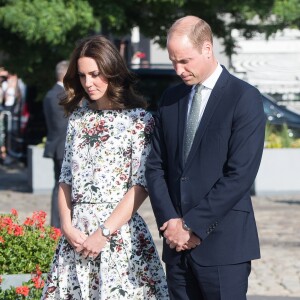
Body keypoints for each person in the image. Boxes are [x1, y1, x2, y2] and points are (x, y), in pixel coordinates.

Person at [145, 16, 266, 300]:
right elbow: (155, 167)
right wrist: (171, 224)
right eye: (173, 61)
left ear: (207, 49)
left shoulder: (244, 98)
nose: (178, 69)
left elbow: (240, 175)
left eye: (185, 60)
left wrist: (192, 225)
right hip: (176, 248)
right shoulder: (171, 98)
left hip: (224, 246)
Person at [42, 35, 169, 299]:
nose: (88, 83)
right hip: (76, 236)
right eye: (82, 76)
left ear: (112, 71)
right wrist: (66, 225)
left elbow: (141, 185)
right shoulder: (78, 118)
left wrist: (104, 233)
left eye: (95, 74)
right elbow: (65, 178)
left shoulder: (139, 121)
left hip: (119, 235)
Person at [43, 60, 69, 228]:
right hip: (63, 147)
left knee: (57, 187)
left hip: (55, 146)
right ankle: (58, 224)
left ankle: (56, 224)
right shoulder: (62, 96)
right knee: (62, 188)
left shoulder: (50, 93)